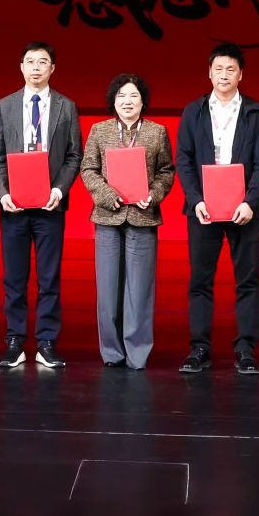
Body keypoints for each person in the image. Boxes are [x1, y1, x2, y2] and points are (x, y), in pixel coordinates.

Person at [174, 41, 259, 375]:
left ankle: (246, 348)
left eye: (231, 69)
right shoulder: (194, 111)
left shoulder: (255, 112)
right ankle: (199, 347)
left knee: (247, 279)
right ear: (209, 73)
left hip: (244, 210)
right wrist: (196, 200)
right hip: (203, 208)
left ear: (241, 74)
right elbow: (183, 159)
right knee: (200, 280)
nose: (224, 74)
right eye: (218, 69)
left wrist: (250, 201)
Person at [0, 40, 83, 370]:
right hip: (13, 205)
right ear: (21, 67)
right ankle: (15, 341)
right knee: (14, 278)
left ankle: (46, 342)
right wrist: (3, 193)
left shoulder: (66, 106)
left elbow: (74, 155)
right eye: (30, 62)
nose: (36, 68)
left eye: (42, 62)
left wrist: (59, 190)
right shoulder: (6, 105)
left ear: (52, 68)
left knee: (49, 278)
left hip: (49, 206)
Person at [78, 74, 176, 369]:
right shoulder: (100, 130)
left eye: (134, 96)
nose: (127, 102)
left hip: (143, 216)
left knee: (140, 289)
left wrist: (154, 195)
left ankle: (137, 352)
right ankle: (112, 351)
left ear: (143, 101)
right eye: (121, 96)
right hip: (108, 216)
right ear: (113, 101)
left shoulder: (157, 132)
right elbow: (88, 169)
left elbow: (166, 171)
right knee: (108, 289)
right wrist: (107, 195)